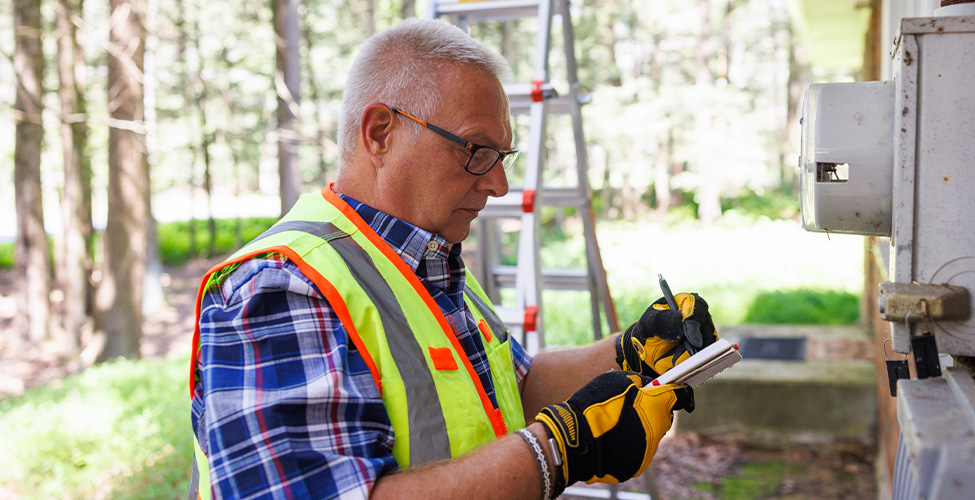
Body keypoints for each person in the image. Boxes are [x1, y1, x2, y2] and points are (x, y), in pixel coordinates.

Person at [189, 18, 717, 500]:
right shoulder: (283, 286)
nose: (499, 184)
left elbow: (512, 392)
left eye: (502, 156)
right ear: (380, 133)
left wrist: (630, 352)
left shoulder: (422, 258)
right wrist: (556, 453)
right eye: (474, 150)